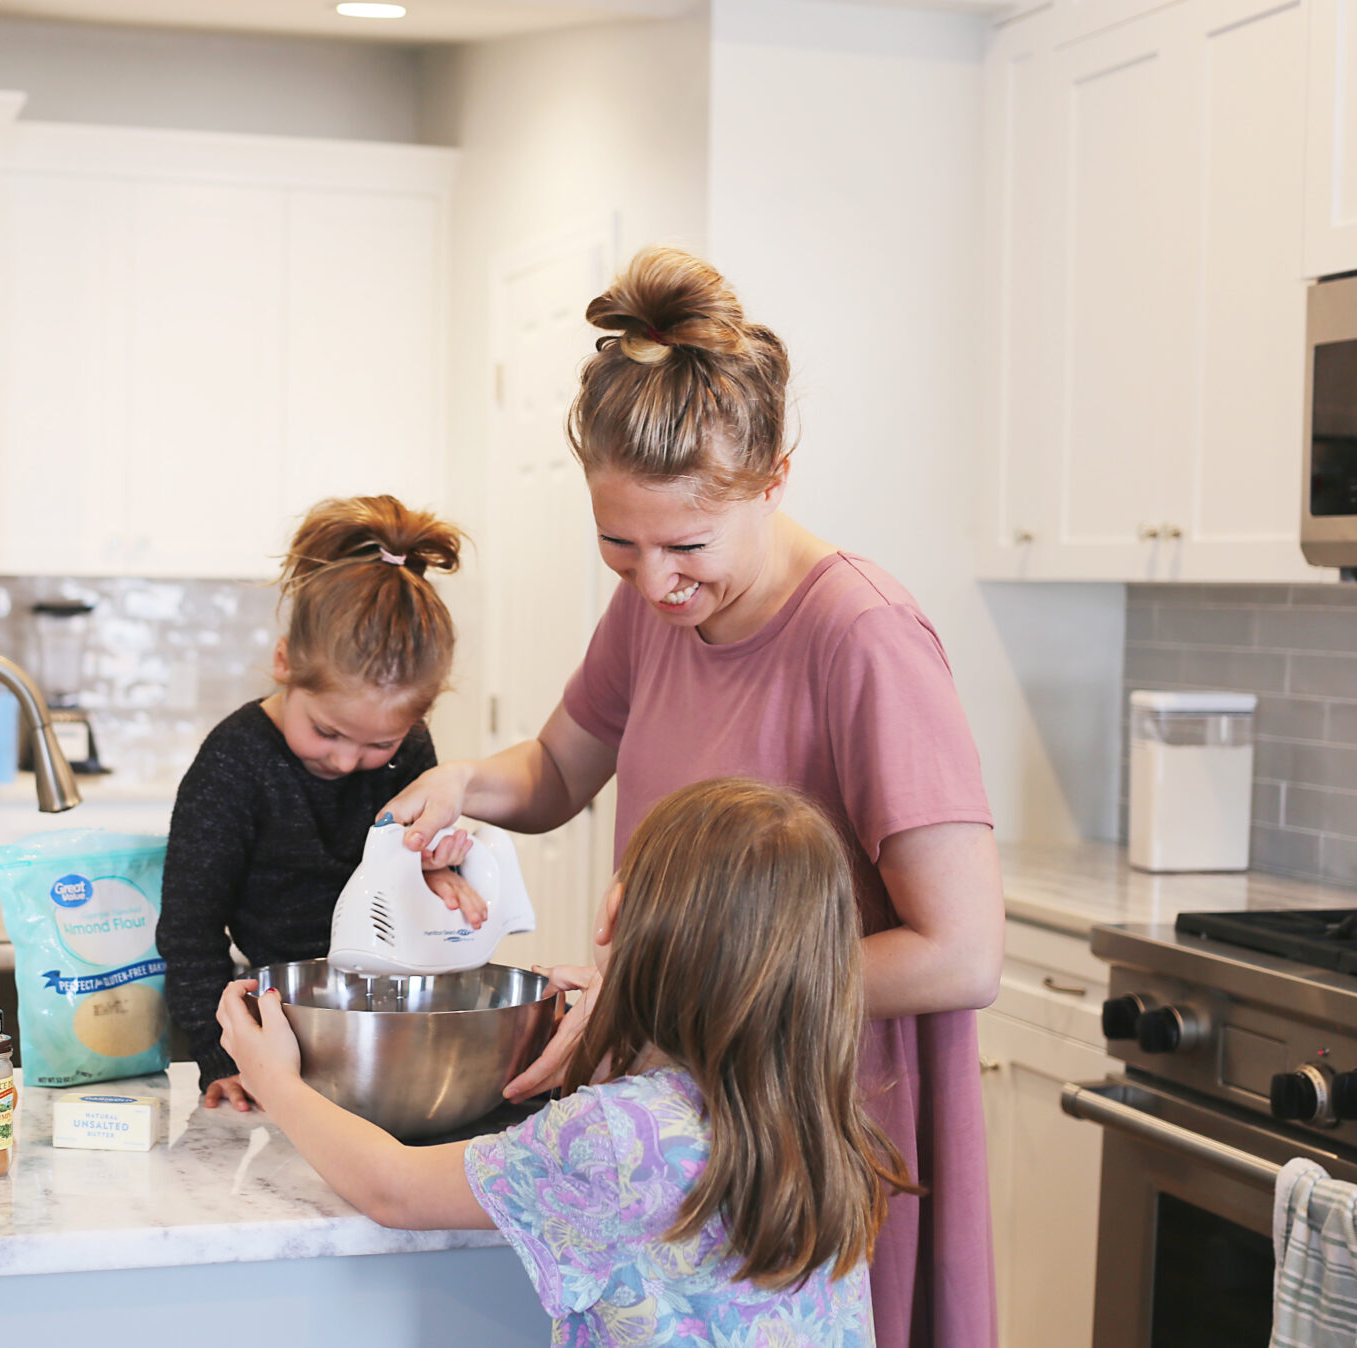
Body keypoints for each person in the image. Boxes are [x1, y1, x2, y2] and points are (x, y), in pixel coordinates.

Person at [385, 248, 1002, 1348]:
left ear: (773, 476)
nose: (656, 581)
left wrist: (669, 992)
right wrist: (462, 784)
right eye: (616, 548)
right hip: (683, 1111)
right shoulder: (650, 608)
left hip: (814, 1129)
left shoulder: (861, 638)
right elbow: (561, 770)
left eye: (684, 546)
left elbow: (961, 953)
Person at [219, 777, 913, 1347]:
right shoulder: (823, 1118)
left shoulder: (611, 1137)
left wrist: (273, 1077)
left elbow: (393, 1190)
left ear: (615, 914)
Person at [159, 495, 485, 1114]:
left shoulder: (410, 748)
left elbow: (401, 860)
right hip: (280, 1027)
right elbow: (189, 932)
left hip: (390, 1020)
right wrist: (219, 1057)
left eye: (379, 743)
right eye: (328, 732)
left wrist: (438, 870)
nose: (344, 761)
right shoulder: (232, 764)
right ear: (283, 663)